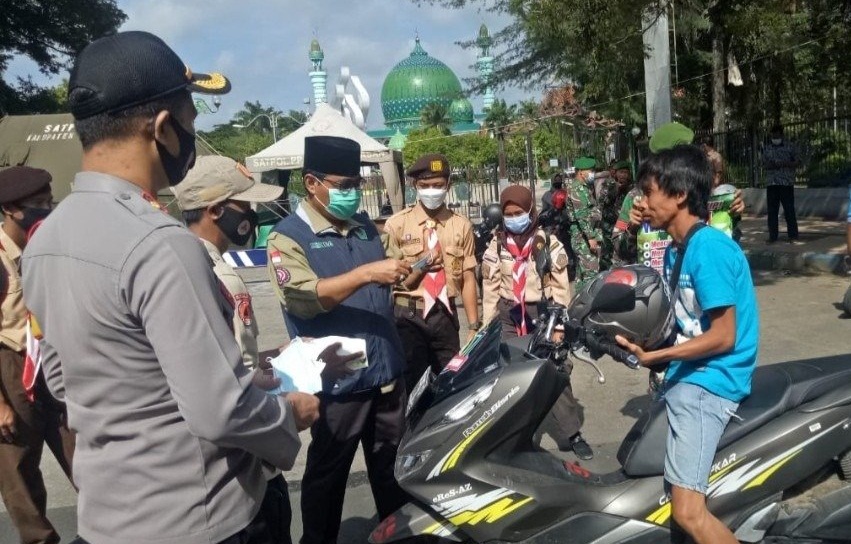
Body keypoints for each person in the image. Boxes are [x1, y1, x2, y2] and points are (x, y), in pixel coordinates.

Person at [21, 31, 319, 544]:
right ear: (163, 128)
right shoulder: (160, 243)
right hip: (196, 518)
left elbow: (61, 381)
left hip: (107, 517)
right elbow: (221, 411)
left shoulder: (46, 238)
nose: (193, 133)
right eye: (192, 119)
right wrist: (289, 416)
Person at [173, 155, 362, 544]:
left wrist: (277, 355)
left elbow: (216, 356)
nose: (253, 215)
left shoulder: (177, 261)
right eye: (246, 206)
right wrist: (288, 411)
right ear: (215, 211)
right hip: (242, 469)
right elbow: (229, 380)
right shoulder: (217, 274)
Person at [266, 136, 411, 544]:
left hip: (386, 366)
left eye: (356, 184)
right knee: (328, 475)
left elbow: (387, 282)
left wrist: (407, 269)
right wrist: (368, 274)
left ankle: (394, 534)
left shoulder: (365, 227)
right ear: (312, 183)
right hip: (338, 372)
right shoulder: (287, 237)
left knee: (391, 468)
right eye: (343, 185)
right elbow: (305, 297)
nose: (352, 192)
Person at [616, 145, 758, 544]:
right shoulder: (677, 248)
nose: (642, 201)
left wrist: (657, 357)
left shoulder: (708, 248)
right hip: (688, 375)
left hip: (709, 384)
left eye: (648, 191)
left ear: (679, 195)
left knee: (688, 513)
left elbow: (723, 335)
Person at [480, 185, 592, 459]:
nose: (514, 218)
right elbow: (491, 288)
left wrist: (561, 327)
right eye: (508, 214)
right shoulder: (496, 244)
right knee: (509, 374)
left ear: (530, 211)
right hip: (510, 316)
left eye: (519, 212)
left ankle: (571, 432)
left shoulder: (548, 243)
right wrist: (486, 327)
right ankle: (516, 433)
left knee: (556, 371)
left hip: (543, 314)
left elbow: (562, 288)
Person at [0, 166, 75, 544]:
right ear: (12, 209)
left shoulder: (47, 246)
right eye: (37, 205)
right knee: (19, 471)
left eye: (49, 202)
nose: (46, 210)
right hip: (12, 368)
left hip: (54, 363)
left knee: (82, 454)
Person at [384, 153, 479, 392]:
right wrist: (419, 268)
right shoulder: (396, 225)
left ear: (448, 185)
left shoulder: (461, 225)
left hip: (445, 314)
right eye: (425, 186)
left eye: (437, 186)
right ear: (415, 186)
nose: (431, 191)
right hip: (408, 316)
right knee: (412, 386)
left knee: (452, 381)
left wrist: (474, 326)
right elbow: (391, 281)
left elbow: (468, 278)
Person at [565, 157, 602, 290]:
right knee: (591, 272)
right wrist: (591, 237)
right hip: (583, 237)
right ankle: (588, 304)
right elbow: (582, 215)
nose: (593, 174)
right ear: (581, 172)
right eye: (590, 171)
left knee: (582, 273)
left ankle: (579, 303)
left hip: (583, 235)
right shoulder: (577, 189)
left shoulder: (582, 187)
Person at [762, 125, 800, 244]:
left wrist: (786, 163)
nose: (775, 138)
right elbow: (763, 164)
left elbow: (798, 161)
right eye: (773, 136)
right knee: (772, 211)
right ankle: (773, 236)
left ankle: (793, 236)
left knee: (789, 209)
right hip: (772, 183)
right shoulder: (767, 149)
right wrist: (771, 165)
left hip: (786, 183)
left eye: (777, 135)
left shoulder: (790, 147)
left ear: (782, 135)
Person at [597, 160, 633, 270]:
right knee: (607, 254)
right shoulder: (607, 185)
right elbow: (601, 202)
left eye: (626, 172)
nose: (623, 175)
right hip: (609, 226)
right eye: (621, 172)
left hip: (625, 226)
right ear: (615, 173)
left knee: (624, 254)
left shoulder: (632, 187)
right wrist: (616, 190)